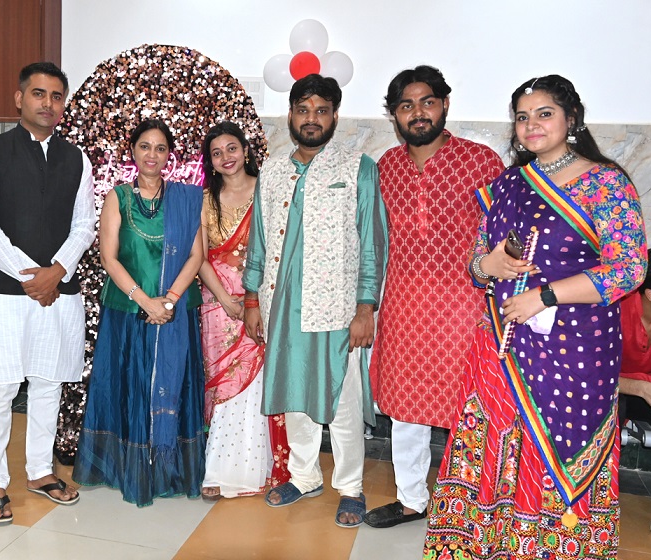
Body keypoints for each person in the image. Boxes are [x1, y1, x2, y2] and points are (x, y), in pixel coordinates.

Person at [423, 75, 647, 559]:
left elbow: (630, 268)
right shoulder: (508, 184)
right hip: (500, 341)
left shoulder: (605, 183)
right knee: (496, 444)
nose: (531, 125)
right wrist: (488, 265)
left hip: (576, 348)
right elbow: (477, 262)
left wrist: (545, 296)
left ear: (572, 118)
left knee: (556, 450)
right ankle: (488, 545)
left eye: (544, 114)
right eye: (522, 117)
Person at [243, 74, 388, 528]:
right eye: (303, 110)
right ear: (290, 115)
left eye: (321, 111)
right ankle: (304, 477)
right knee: (293, 393)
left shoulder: (358, 168)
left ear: (335, 116)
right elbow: (258, 239)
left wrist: (366, 307)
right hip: (281, 303)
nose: (312, 119)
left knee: (341, 400)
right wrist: (252, 297)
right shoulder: (272, 170)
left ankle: (351, 487)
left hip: (337, 306)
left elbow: (372, 243)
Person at [366, 65, 506, 528]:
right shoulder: (385, 167)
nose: (418, 113)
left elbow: (504, 234)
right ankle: (411, 498)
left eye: (427, 102)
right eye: (406, 105)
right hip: (405, 307)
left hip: (467, 308)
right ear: (394, 115)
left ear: (444, 104)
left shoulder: (481, 161)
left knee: (472, 408)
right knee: (407, 410)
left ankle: (477, 503)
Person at [0, 62, 95, 523]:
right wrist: (31, 276)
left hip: (58, 293)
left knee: (48, 383)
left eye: (57, 96)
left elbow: (84, 224)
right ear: (19, 98)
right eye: (39, 93)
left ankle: (40, 471)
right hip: (2, 294)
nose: (48, 103)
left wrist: (56, 272)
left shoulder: (76, 159)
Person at [73, 119, 205, 507]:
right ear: (132, 150)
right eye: (145, 146)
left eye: (160, 148)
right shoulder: (118, 198)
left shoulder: (186, 198)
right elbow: (109, 258)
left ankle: (170, 470)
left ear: (169, 155)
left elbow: (197, 254)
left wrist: (169, 300)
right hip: (129, 312)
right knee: (130, 386)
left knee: (174, 386)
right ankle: (130, 469)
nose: (152, 154)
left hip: (176, 312)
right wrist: (146, 301)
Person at [198, 122, 291, 501]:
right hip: (218, 305)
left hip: (262, 298)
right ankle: (219, 469)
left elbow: (280, 247)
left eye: (232, 148)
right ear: (210, 161)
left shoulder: (267, 190)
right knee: (225, 383)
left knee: (259, 383)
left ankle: (260, 467)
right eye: (217, 153)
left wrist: (254, 299)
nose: (226, 157)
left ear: (245, 150)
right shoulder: (206, 200)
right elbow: (199, 257)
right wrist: (225, 299)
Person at [617, 246, 651, 539]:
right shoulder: (614, 307)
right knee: (608, 407)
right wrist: (641, 386)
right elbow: (587, 374)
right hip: (609, 390)